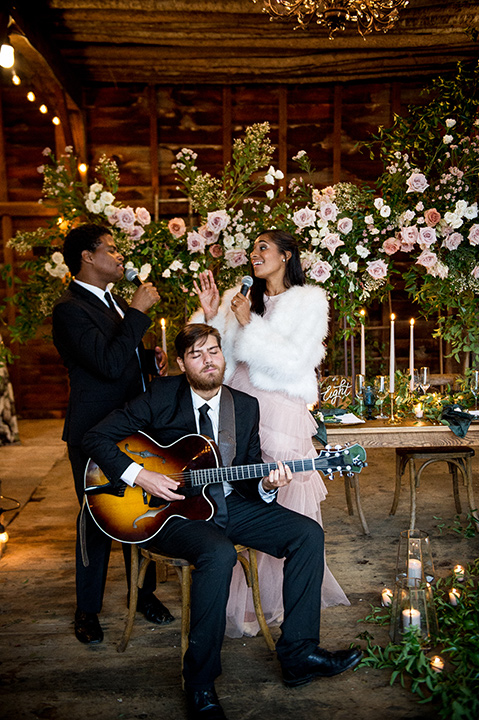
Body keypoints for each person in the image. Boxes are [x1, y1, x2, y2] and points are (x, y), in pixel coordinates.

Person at [82, 323, 362, 720]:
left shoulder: (244, 407)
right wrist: (140, 476)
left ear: (223, 355)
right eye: (196, 354)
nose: (208, 360)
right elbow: (95, 439)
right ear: (182, 362)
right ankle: (199, 683)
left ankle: (299, 654)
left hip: (230, 506)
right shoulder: (162, 395)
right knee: (219, 553)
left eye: (213, 350)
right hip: (169, 513)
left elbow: (247, 482)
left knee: (306, 533)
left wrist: (266, 484)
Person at [192, 229, 349, 638]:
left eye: (264, 247)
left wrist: (250, 323)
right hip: (240, 403)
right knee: (240, 489)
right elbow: (213, 354)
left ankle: (279, 600)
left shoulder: (309, 301)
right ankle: (241, 602)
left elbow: (297, 362)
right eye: (253, 248)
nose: (255, 254)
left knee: (281, 495)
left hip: (280, 407)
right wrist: (211, 315)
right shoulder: (236, 296)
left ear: (287, 255)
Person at [52, 223, 173, 645]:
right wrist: (138, 314)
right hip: (93, 432)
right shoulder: (69, 309)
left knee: (144, 510)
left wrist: (148, 360)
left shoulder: (115, 302)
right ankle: (88, 609)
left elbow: (123, 358)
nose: (120, 256)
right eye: (112, 249)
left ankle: (143, 595)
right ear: (88, 256)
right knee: (99, 519)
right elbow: (104, 362)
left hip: (135, 428)